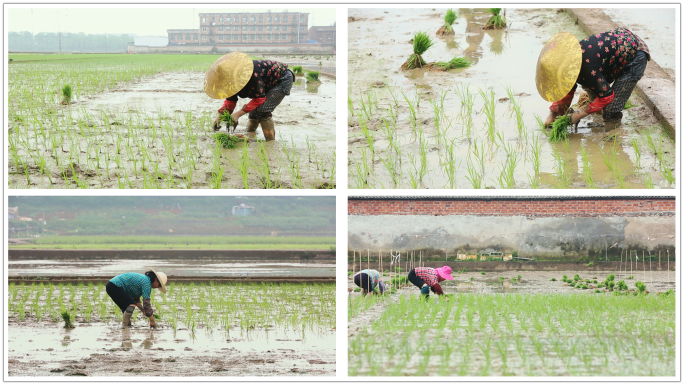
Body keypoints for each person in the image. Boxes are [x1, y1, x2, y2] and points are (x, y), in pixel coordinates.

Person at [537, 28, 650, 127]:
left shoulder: (587, 68)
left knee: (612, 108)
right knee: (590, 86)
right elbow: (567, 89)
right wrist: (553, 114)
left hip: (636, 55)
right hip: (616, 46)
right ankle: (599, 119)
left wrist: (580, 114)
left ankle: (612, 136)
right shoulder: (569, 61)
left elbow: (607, 96)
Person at [205, 51, 294, 141]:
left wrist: (237, 115)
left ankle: (270, 142)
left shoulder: (251, 74)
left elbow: (259, 99)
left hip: (282, 79)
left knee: (263, 109)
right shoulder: (231, 82)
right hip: (266, 82)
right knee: (253, 112)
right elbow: (230, 101)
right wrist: (219, 116)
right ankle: (250, 136)